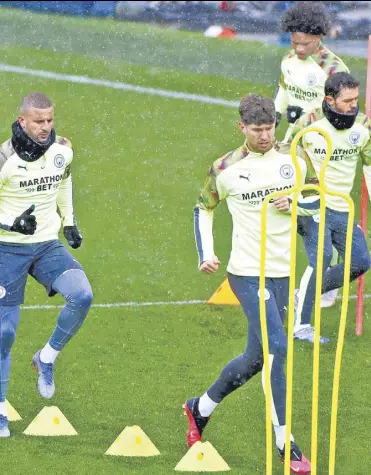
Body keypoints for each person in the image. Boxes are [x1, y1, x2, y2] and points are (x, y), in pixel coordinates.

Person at [187, 94, 318, 474]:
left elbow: (318, 199)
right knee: (279, 346)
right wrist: (205, 253)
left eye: (269, 128)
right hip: (246, 271)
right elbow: (203, 207)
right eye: (257, 130)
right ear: (242, 127)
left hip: (283, 272)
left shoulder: (294, 158)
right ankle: (285, 443)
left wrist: (295, 203)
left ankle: (201, 408)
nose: (264, 136)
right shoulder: (225, 168)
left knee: (256, 359)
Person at [0, 92, 93, 438]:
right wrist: (11, 223)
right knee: (6, 332)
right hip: (8, 250)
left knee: (82, 296)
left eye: (50, 120)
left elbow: (65, 179)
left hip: (47, 245)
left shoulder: (62, 149)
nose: (46, 127)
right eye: (39, 121)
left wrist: (68, 221)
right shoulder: (0, 159)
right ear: (22, 121)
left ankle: (47, 357)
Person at [274, 1, 350, 307]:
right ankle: (319, 272)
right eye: (294, 42)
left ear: (318, 37)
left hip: (322, 147)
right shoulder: (289, 59)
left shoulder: (334, 69)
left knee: (318, 211)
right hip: (294, 143)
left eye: (304, 43)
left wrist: (307, 117)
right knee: (300, 213)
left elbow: (339, 110)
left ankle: (326, 281)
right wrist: (276, 116)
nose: (299, 48)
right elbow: (283, 91)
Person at [288, 72, 371, 344]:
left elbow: (369, 166)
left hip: (342, 207)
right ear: (329, 100)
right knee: (321, 258)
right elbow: (288, 160)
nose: (353, 106)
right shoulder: (309, 127)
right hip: (312, 205)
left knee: (361, 261)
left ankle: (306, 293)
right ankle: (301, 326)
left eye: (356, 99)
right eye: (347, 101)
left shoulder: (362, 128)